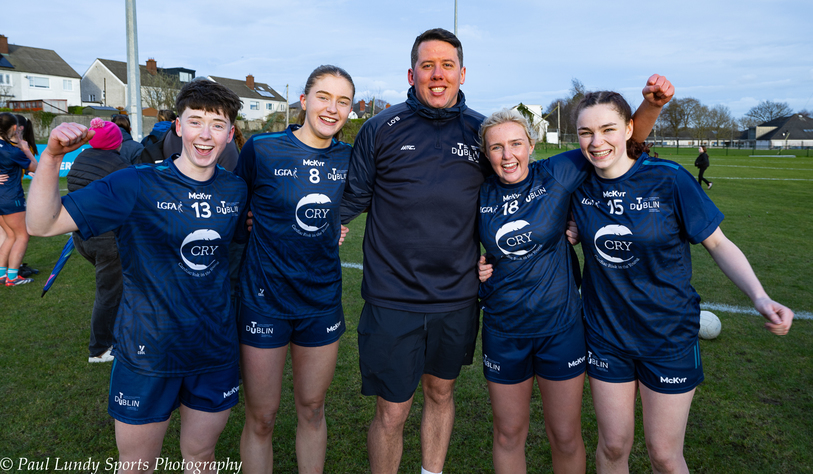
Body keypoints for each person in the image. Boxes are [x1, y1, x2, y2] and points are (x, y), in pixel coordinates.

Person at [26, 79, 247, 474]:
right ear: (178, 127)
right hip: (147, 352)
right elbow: (42, 224)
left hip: (213, 351)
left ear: (230, 134)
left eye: (217, 125)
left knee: (201, 460)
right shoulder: (135, 182)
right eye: (196, 122)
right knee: (137, 466)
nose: (205, 134)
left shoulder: (235, 190)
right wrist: (51, 159)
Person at [569, 91, 793, 473]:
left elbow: (718, 243)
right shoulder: (577, 185)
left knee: (664, 455)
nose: (596, 141)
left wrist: (759, 296)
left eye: (608, 129)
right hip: (606, 336)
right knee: (612, 446)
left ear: (628, 129)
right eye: (585, 132)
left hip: (668, 335)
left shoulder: (669, 179)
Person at [476, 76, 672, 474]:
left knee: (564, 435)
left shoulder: (557, 173)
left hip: (561, 329)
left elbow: (615, 143)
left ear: (532, 146)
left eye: (516, 144)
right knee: (508, 434)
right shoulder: (478, 193)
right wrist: (474, 266)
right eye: (496, 147)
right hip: (503, 329)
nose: (507, 154)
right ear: (486, 154)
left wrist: (650, 106)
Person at [236, 65, 355, 473]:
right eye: (323, 96)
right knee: (262, 417)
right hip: (263, 301)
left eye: (343, 101)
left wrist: (337, 223)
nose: (332, 108)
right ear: (304, 101)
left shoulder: (348, 157)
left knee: (313, 408)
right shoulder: (263, 149)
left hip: (320, 301)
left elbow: (369, 199)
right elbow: (233, 205)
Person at [67, 118, 130, 363]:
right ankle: (100, 349)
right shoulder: (119, 165)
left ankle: (115, 334)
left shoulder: (82, 158)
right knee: (108, 293)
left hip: (81, 235)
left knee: (115, 289)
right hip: (105, 239)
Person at [0, 112, 38, 286]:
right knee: (22, 236)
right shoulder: (11, 151)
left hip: (2, 198)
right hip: (10, 198)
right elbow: (36, 167)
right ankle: (12, 277)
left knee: (10, 235)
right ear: (15, 128)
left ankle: (2, 274)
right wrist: (25, 148)